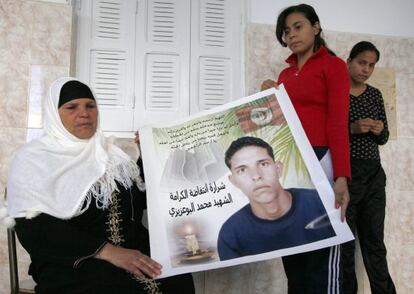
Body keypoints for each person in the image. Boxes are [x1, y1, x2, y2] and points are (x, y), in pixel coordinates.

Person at [5, 77, 195, 294]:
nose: (84, 113)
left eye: (90, 106)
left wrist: (149, 154)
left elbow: (138, 201)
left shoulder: (113, 156)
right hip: (74, 261)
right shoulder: (34, 159)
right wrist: (108, 252)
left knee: (178, 279)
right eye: (71, 107)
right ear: (54, 114)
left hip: (132, 251)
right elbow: (34, 230)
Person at [261, 4, 351, 293]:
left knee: (321, 247)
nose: (291, 35)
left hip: (321, 161)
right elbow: (280, 123)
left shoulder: (334, 66)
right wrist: (268, 94)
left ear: (316, 27)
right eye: (286, 31)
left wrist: (341, 177)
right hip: (291, 164)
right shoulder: (286, 75)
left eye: (298, 27)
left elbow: (338, 122)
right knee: (293, 245)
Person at [217, 136, 336, 261]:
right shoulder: (231, 234)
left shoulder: (320, 203)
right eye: (242, 170)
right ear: (234, 181)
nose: (256, 176)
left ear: (278, 169)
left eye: (263, 164)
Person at [341, 41, 396, 294]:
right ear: (349, 61)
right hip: (346, 176)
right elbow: (324, 133)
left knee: (375, 243)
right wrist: (351, 129)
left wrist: (380, 130)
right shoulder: (337, 92)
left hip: (374, 175)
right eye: (362, 62)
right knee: (345, 246)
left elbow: (383, 138)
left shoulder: (375, 94)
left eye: (371, 65)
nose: (366, 69)